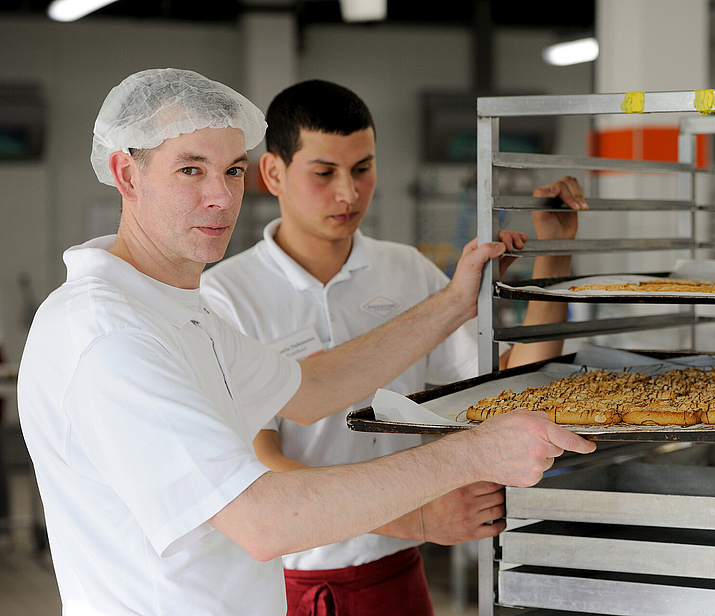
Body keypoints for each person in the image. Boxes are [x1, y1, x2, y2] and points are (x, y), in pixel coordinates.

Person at [16, 68, 596, 616]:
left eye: (232, 170)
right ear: (126, 174)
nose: (220, 197)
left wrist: (451, 303)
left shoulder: (174, 311)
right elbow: (263, 522)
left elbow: (309, 389)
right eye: (190, 170)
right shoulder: (111, 335)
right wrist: (470, 456)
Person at [200, 79, 587, 616]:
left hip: (399, 579)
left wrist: (554, 256)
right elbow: (262, 466)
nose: (349, 193)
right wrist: (417, 517)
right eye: (324, 173)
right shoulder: (227, 298)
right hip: (284, 587)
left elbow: (510, 385)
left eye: (363, 169)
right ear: (273, 173)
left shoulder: (405, 271)